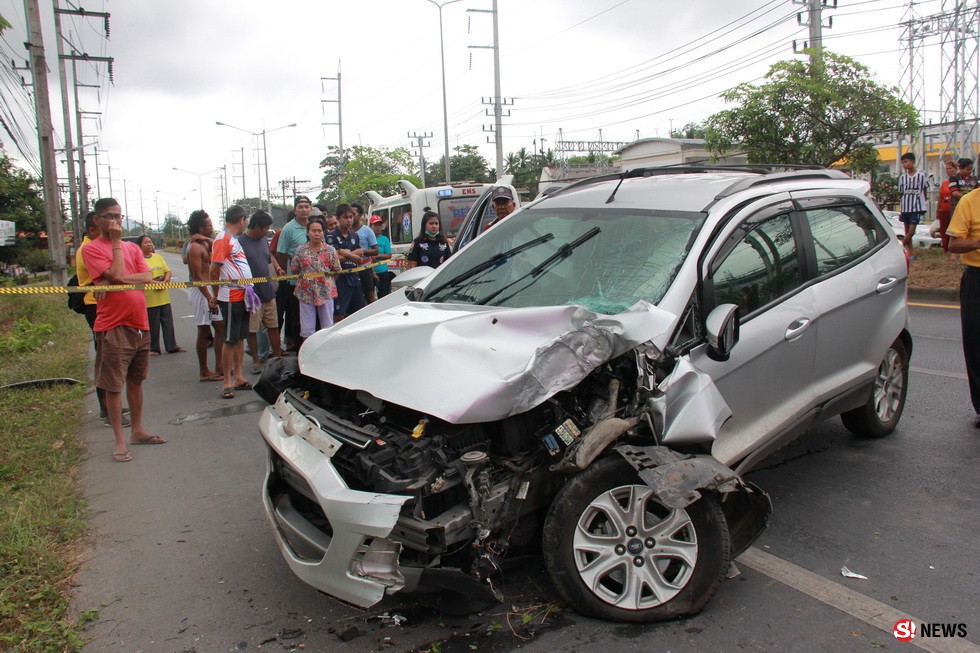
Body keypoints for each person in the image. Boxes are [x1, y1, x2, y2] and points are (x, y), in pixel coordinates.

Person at [82, 197, 167, 462]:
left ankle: (138, 430)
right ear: (97, 220)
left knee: (136, 380)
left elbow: (145, 277)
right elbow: (117, 275)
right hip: (113, 325)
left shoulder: (133, 249)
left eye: (118, 216)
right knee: (113, 385)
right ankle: (120, 439)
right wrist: (117, 244)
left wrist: (122, 276)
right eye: (109, 216)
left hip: (139, 323)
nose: (115, 221)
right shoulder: (92, 249)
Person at [76, 211, 130, 427]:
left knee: (113, 361)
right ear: (93, 227)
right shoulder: (88, 249)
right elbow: (115, 275)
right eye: (108, 223)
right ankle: (107, 411)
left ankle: (112, 405)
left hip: (109, 305)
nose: (114, 227)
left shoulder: (101, 246)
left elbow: (123, 275)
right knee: (107, 362)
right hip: (96, 306)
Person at [945, 185, 980, 427]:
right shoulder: (969, 201)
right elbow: (953, 244)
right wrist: (978, 242)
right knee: (976, 342)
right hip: (977, 278)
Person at [210, 205, 254, 399]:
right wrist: (216, 292)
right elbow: (214, 269)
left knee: (239, 338)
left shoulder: (234, 240)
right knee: (230, 340)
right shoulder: (223, 239)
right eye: (246, 221)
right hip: (230, 296)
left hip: (243, 295)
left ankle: (239, 376)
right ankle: (227, 381)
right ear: (242, 220)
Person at [240, 210, 283, 373]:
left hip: (268, 291)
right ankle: (256, 361)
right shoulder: (241, 242)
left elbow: (268, 258)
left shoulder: (264, 240)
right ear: (255, 227)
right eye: (264, 228)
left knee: (273, 325)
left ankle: (278, 357)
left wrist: (277, 267)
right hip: (252, 294)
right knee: (253, 329)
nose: (266, 231)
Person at [186, 210, 224, 381]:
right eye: (209, 225)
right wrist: (209, 297)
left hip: (210, 289)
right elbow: (197, 277)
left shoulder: (206, 243)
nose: (212, 227)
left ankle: (220, 367)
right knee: (204, 330)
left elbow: (221, 247)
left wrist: (208, 239)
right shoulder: (194, 247)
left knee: (221, 328)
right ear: (201, 227)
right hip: (201, 292)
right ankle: (204, 371)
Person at [290, 217, 341, 344]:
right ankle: (307, 355)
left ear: (323, 232)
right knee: (307, 330)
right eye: (313, 231)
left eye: (319, 231)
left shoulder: (330, 250)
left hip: (326, 293)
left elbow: (336, 271)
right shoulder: (300, 250)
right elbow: (295, 269)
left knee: (327, 327)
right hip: (306, 294)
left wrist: (325, 283)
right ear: (308, 232)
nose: (317, 234)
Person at [137, 235, 186, 356]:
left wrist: (165, 281)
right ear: (139, 246)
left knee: (168, 323)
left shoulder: (158, 257)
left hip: (163, 297)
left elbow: (167, 271)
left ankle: (172, 346)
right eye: (146, 242)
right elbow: (141, 277)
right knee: (153, 325)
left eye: (150, 242)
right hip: (150, 299)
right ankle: (153, 348)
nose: (149, 244)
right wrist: (155, 283)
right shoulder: (138, 260)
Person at [276, 196, 312, 352]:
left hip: (314, 282)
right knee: (296, 317)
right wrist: (285, 278)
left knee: (310, 316)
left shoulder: (313, 226)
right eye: (300, 207)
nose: (304, 210)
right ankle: (298, 349)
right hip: (295, 282)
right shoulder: (288, 229)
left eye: (306, 206)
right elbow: (281, 253)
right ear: (295, 209)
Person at [325, 204, 366, 321]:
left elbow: (360, 257)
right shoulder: (331, 236)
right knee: (339, 314)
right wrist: (353, 255)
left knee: (358, 313)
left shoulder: (354, 235)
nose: (349, 220)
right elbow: (334, 259)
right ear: (338, 219)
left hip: (354, 278)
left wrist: (345, 253)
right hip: (340, 280)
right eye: (345, 217)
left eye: (351, 217)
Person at [897, 152, 929, 260]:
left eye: (906, 162)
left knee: (911, 231)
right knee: (907, 231)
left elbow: (925, 190)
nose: (904, 165)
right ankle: (911, 253)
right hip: (906, 206)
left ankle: (899, 248)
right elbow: (901, 192)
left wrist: (923, 204)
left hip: (916, 207)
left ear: (912, 161)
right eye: (903, 163)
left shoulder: (921, 175)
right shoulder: (903, 178)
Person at [352, 203, 379, 303]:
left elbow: (376, 250)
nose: (350, 217)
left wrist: (362, 252)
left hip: (365, 269)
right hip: (350, 271)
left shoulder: (367, 231)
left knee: (370, 297)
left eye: (353, 214)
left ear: (360, 216)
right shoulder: (346, 231)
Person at [936, 159, 958, 255]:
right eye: (947, 169)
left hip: (954, 209)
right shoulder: (944, 183)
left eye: (950, 168)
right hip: (944, 209)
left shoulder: (958, 181)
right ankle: (946, 250)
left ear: (955, 169)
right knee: (944, 231)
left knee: (954, 231)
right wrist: (938, 210)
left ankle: (954, 251)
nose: (948, 170)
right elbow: (940, 197)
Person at [370, 214, 394, 297]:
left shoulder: (385, 239)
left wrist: (377, 256)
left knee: (383, 296)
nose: (378, 227)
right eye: (375, 225)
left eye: (380, 225)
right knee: (370, 297)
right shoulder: (367, 238)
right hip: (370, 272)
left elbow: (389, 255)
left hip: (383, 272)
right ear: (370, 226)